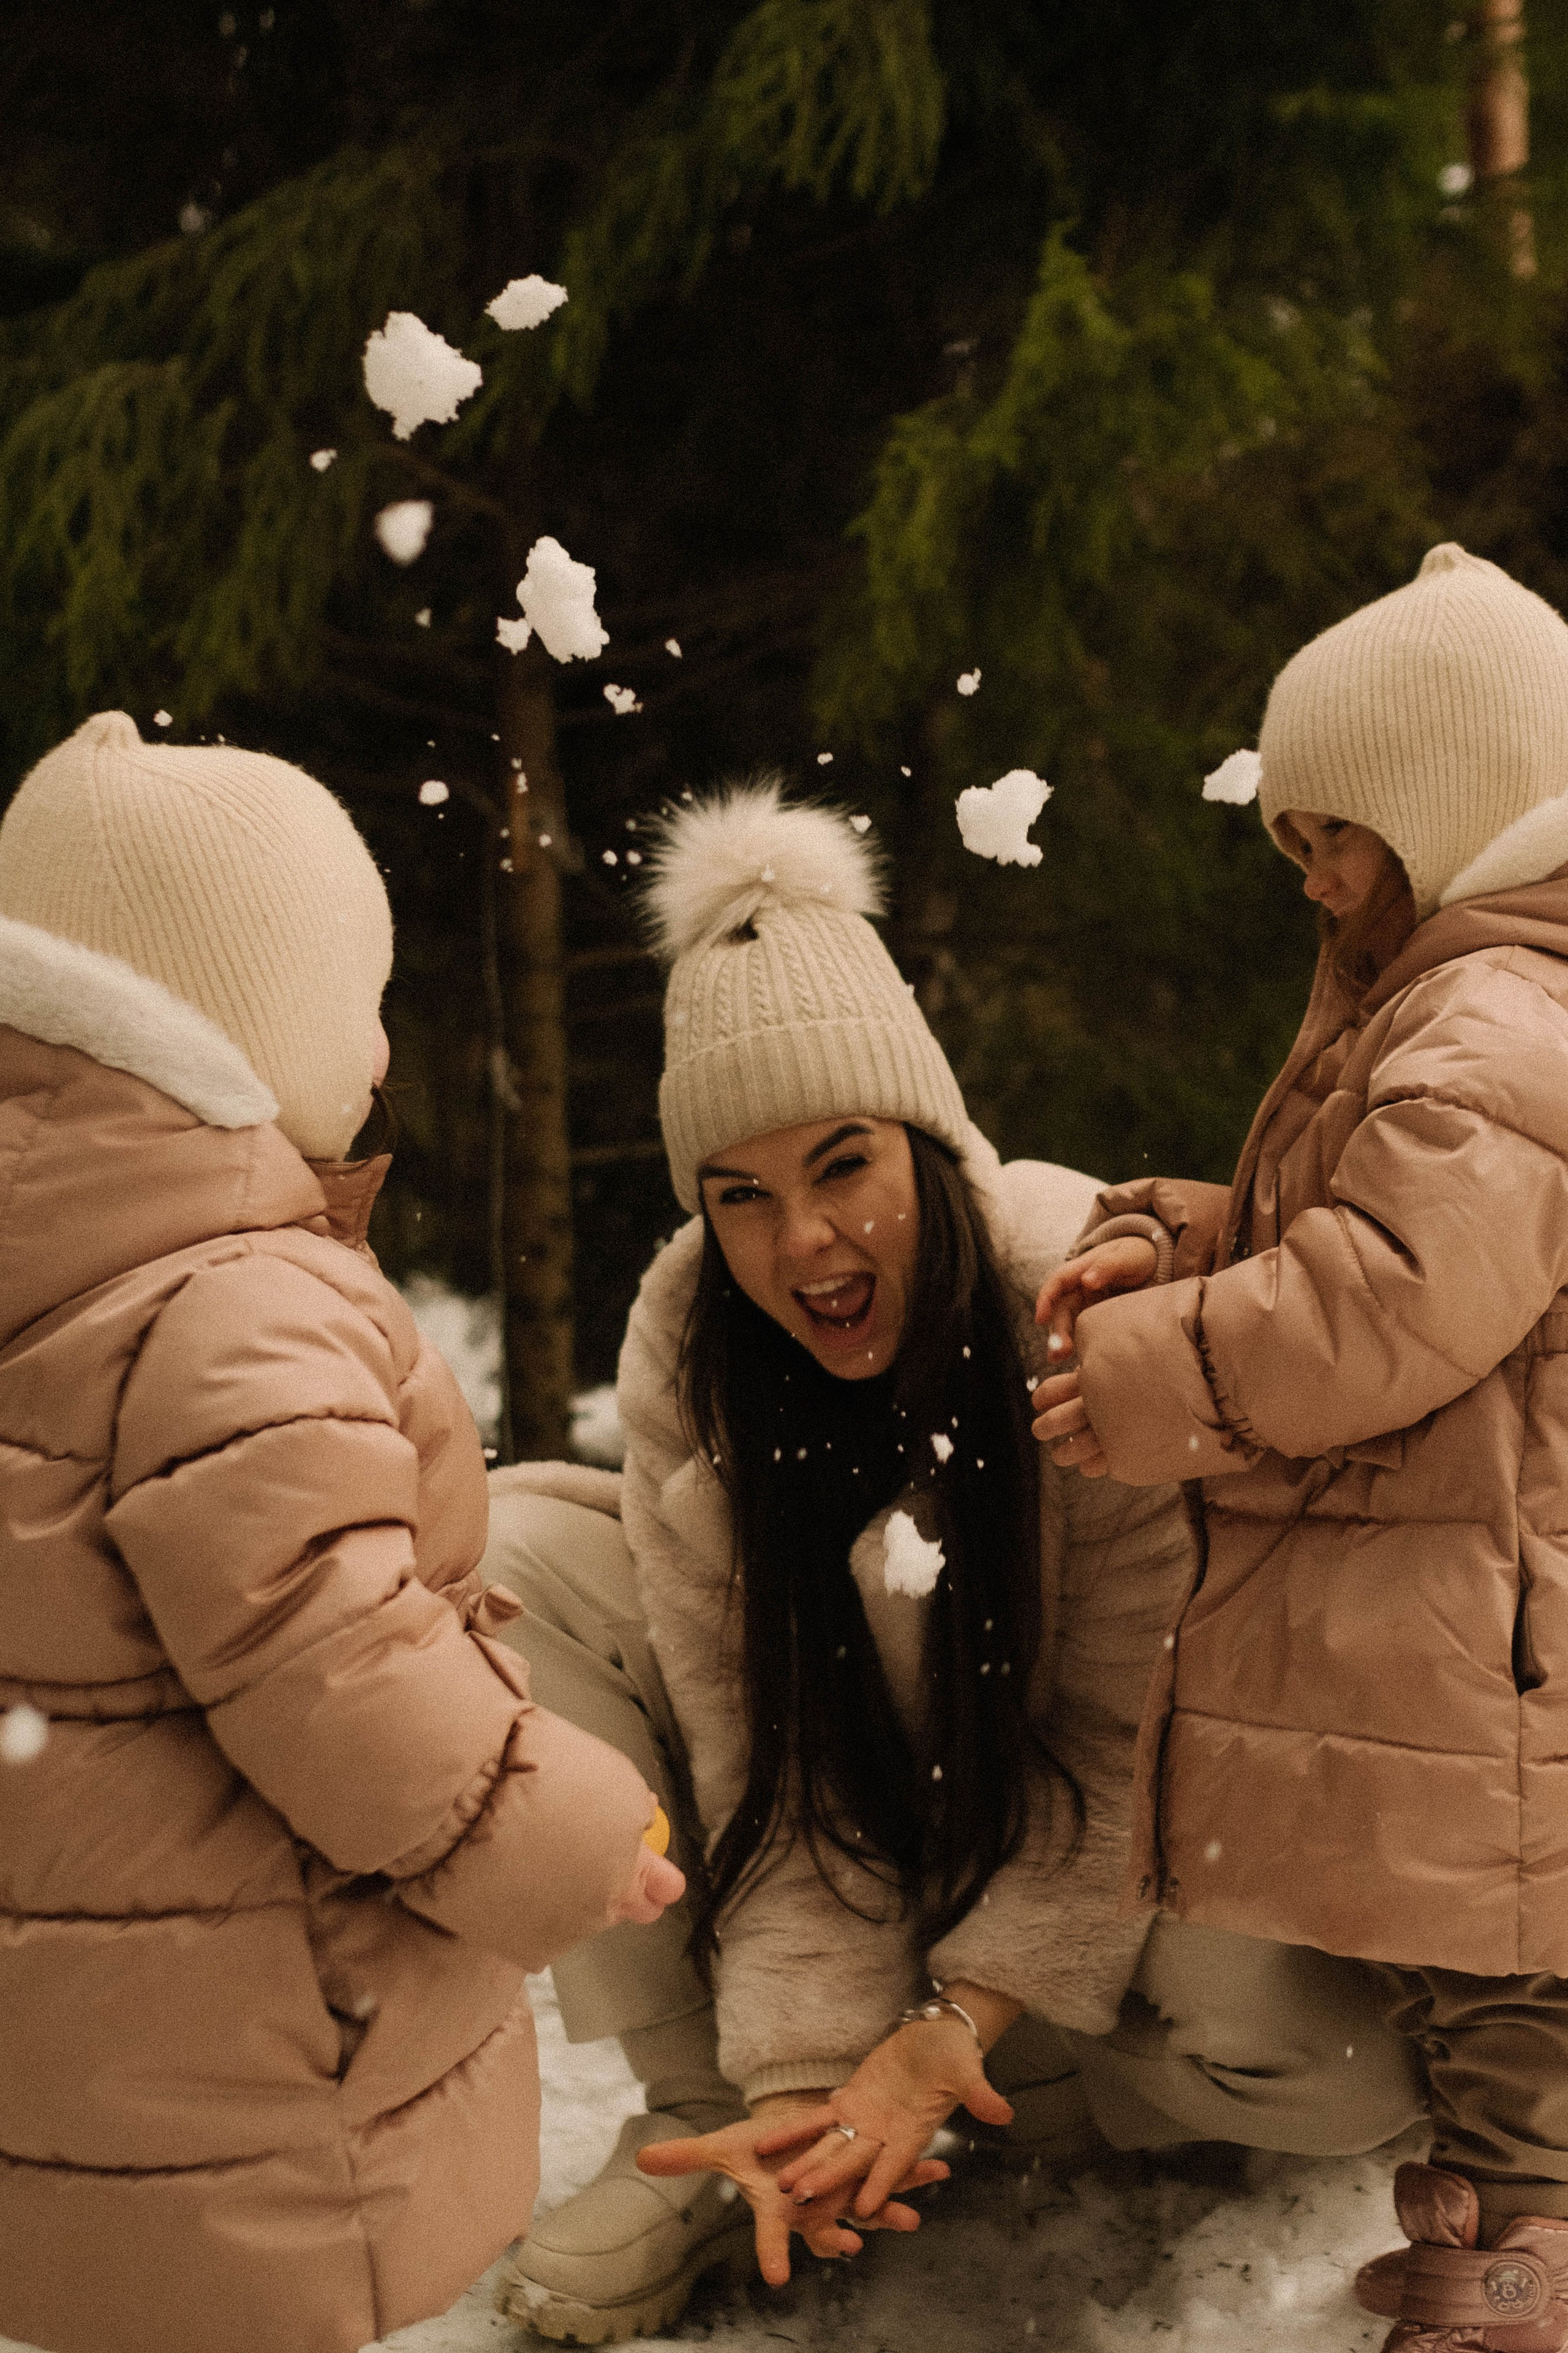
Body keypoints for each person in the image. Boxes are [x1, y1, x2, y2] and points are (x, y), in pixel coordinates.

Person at [482, 782, 1423, 2346]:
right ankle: (729, 2131)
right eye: (742, 1196)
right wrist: (800, 2086)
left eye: (843, 1165)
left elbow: (1125, 1745)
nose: (805, 1245)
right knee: (516, 1544)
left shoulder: (1073, 1295)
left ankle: (1003, 2088)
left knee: (1332, 2068)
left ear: (925, 1143)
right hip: (881, 1840)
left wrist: (952, 2028)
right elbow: (763, 1771)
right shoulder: (687, 1350)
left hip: (1095, 1855)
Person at [0, 712, 682, 2353]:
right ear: (226, 1027)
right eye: (354, 1008)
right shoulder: (232, 1300)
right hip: (260, 2036)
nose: (376, 1055)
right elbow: (338, 1659)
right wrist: (563, 1823)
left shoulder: (59, 1259)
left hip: (86, 2022)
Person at [1035, 543, 1568, 2353]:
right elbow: (1323, 1225)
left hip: (1499, 1616)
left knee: (1513, 1978)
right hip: (1467, 1593)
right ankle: (1503, 2232)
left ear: (1456, 809)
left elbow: (1386, 1296)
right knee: (1474, 1961)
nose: (1318, 875)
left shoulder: (1496, 1027)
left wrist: (1149, 1367)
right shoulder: (1448, 1009)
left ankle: (1522, 2278)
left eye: (1339, 832)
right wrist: (1178, 1238)